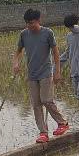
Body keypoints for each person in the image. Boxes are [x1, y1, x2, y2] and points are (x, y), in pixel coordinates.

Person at [13, 8, 67, 143]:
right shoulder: (24, 34)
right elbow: (18, 51)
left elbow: (55, 52)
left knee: (46, 100)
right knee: (36, 104)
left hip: (46, 72)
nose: (29, 26)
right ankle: (43, 133)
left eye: (31, 23)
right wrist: (16, 63)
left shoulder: (48, 33)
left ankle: (62, 123)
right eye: (27, 23)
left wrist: (57, 71)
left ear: (38, 21)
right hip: (32, 74)